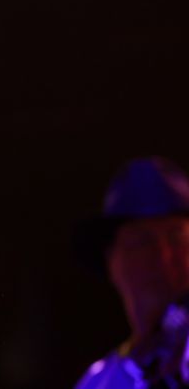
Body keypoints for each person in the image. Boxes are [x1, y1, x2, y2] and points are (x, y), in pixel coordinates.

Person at [74, 157, 189, 388]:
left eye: (176, 238)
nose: (163, 257)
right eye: (141, 242)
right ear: (111, 261)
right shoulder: (99, 383)